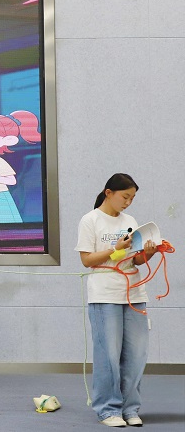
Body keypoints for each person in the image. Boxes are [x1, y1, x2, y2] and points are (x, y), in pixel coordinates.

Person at [76, 173, 157, 428]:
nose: (128, 202)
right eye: (125, 196)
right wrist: (115, 249)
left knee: (136, 355)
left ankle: (130, 408)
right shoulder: (90, 220)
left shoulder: (130, 221)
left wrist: (149, 253)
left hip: (134, 293)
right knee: (108, 355)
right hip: (104, 294)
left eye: (132, 198)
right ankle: (108, 409)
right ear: (108, 193)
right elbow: (87, 260)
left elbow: (136, 259)